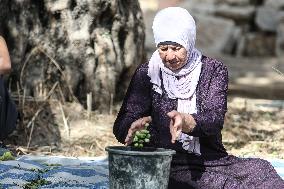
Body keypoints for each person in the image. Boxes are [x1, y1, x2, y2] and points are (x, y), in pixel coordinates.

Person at [113, 7, 284, 188]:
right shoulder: (148, 73)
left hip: (211, 159)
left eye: (176, 48)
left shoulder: (213, 70)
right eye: (163, 48)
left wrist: (187, 121)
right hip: (164, 163)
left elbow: (215, 119)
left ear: (189, 42)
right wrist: (132, 128)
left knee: (261, 169)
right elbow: (122, 124)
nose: (169, 56)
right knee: (221, 183)